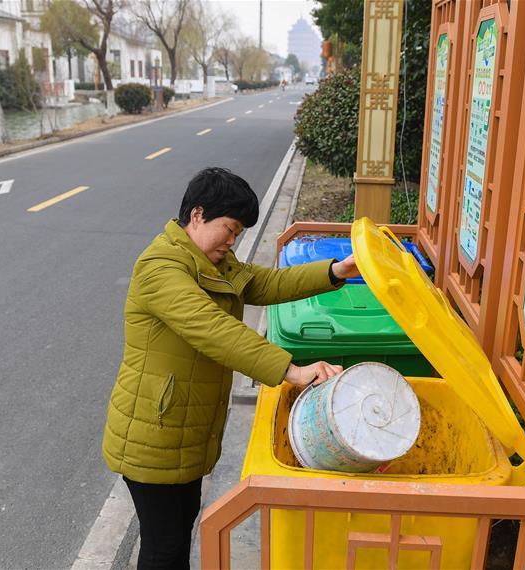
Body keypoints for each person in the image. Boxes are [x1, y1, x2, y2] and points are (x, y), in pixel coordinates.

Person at [102, 167, 359, 569]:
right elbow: (212, 328)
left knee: (178, 535)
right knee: (162, 549)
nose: (232, 241)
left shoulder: (211, 261)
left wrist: (334, 271)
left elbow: (266, 283)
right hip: (154, 432)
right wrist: (291, 370)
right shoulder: (160, 267)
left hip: (185, 428)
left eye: (238, 234)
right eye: (230, 229)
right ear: (198, 214)